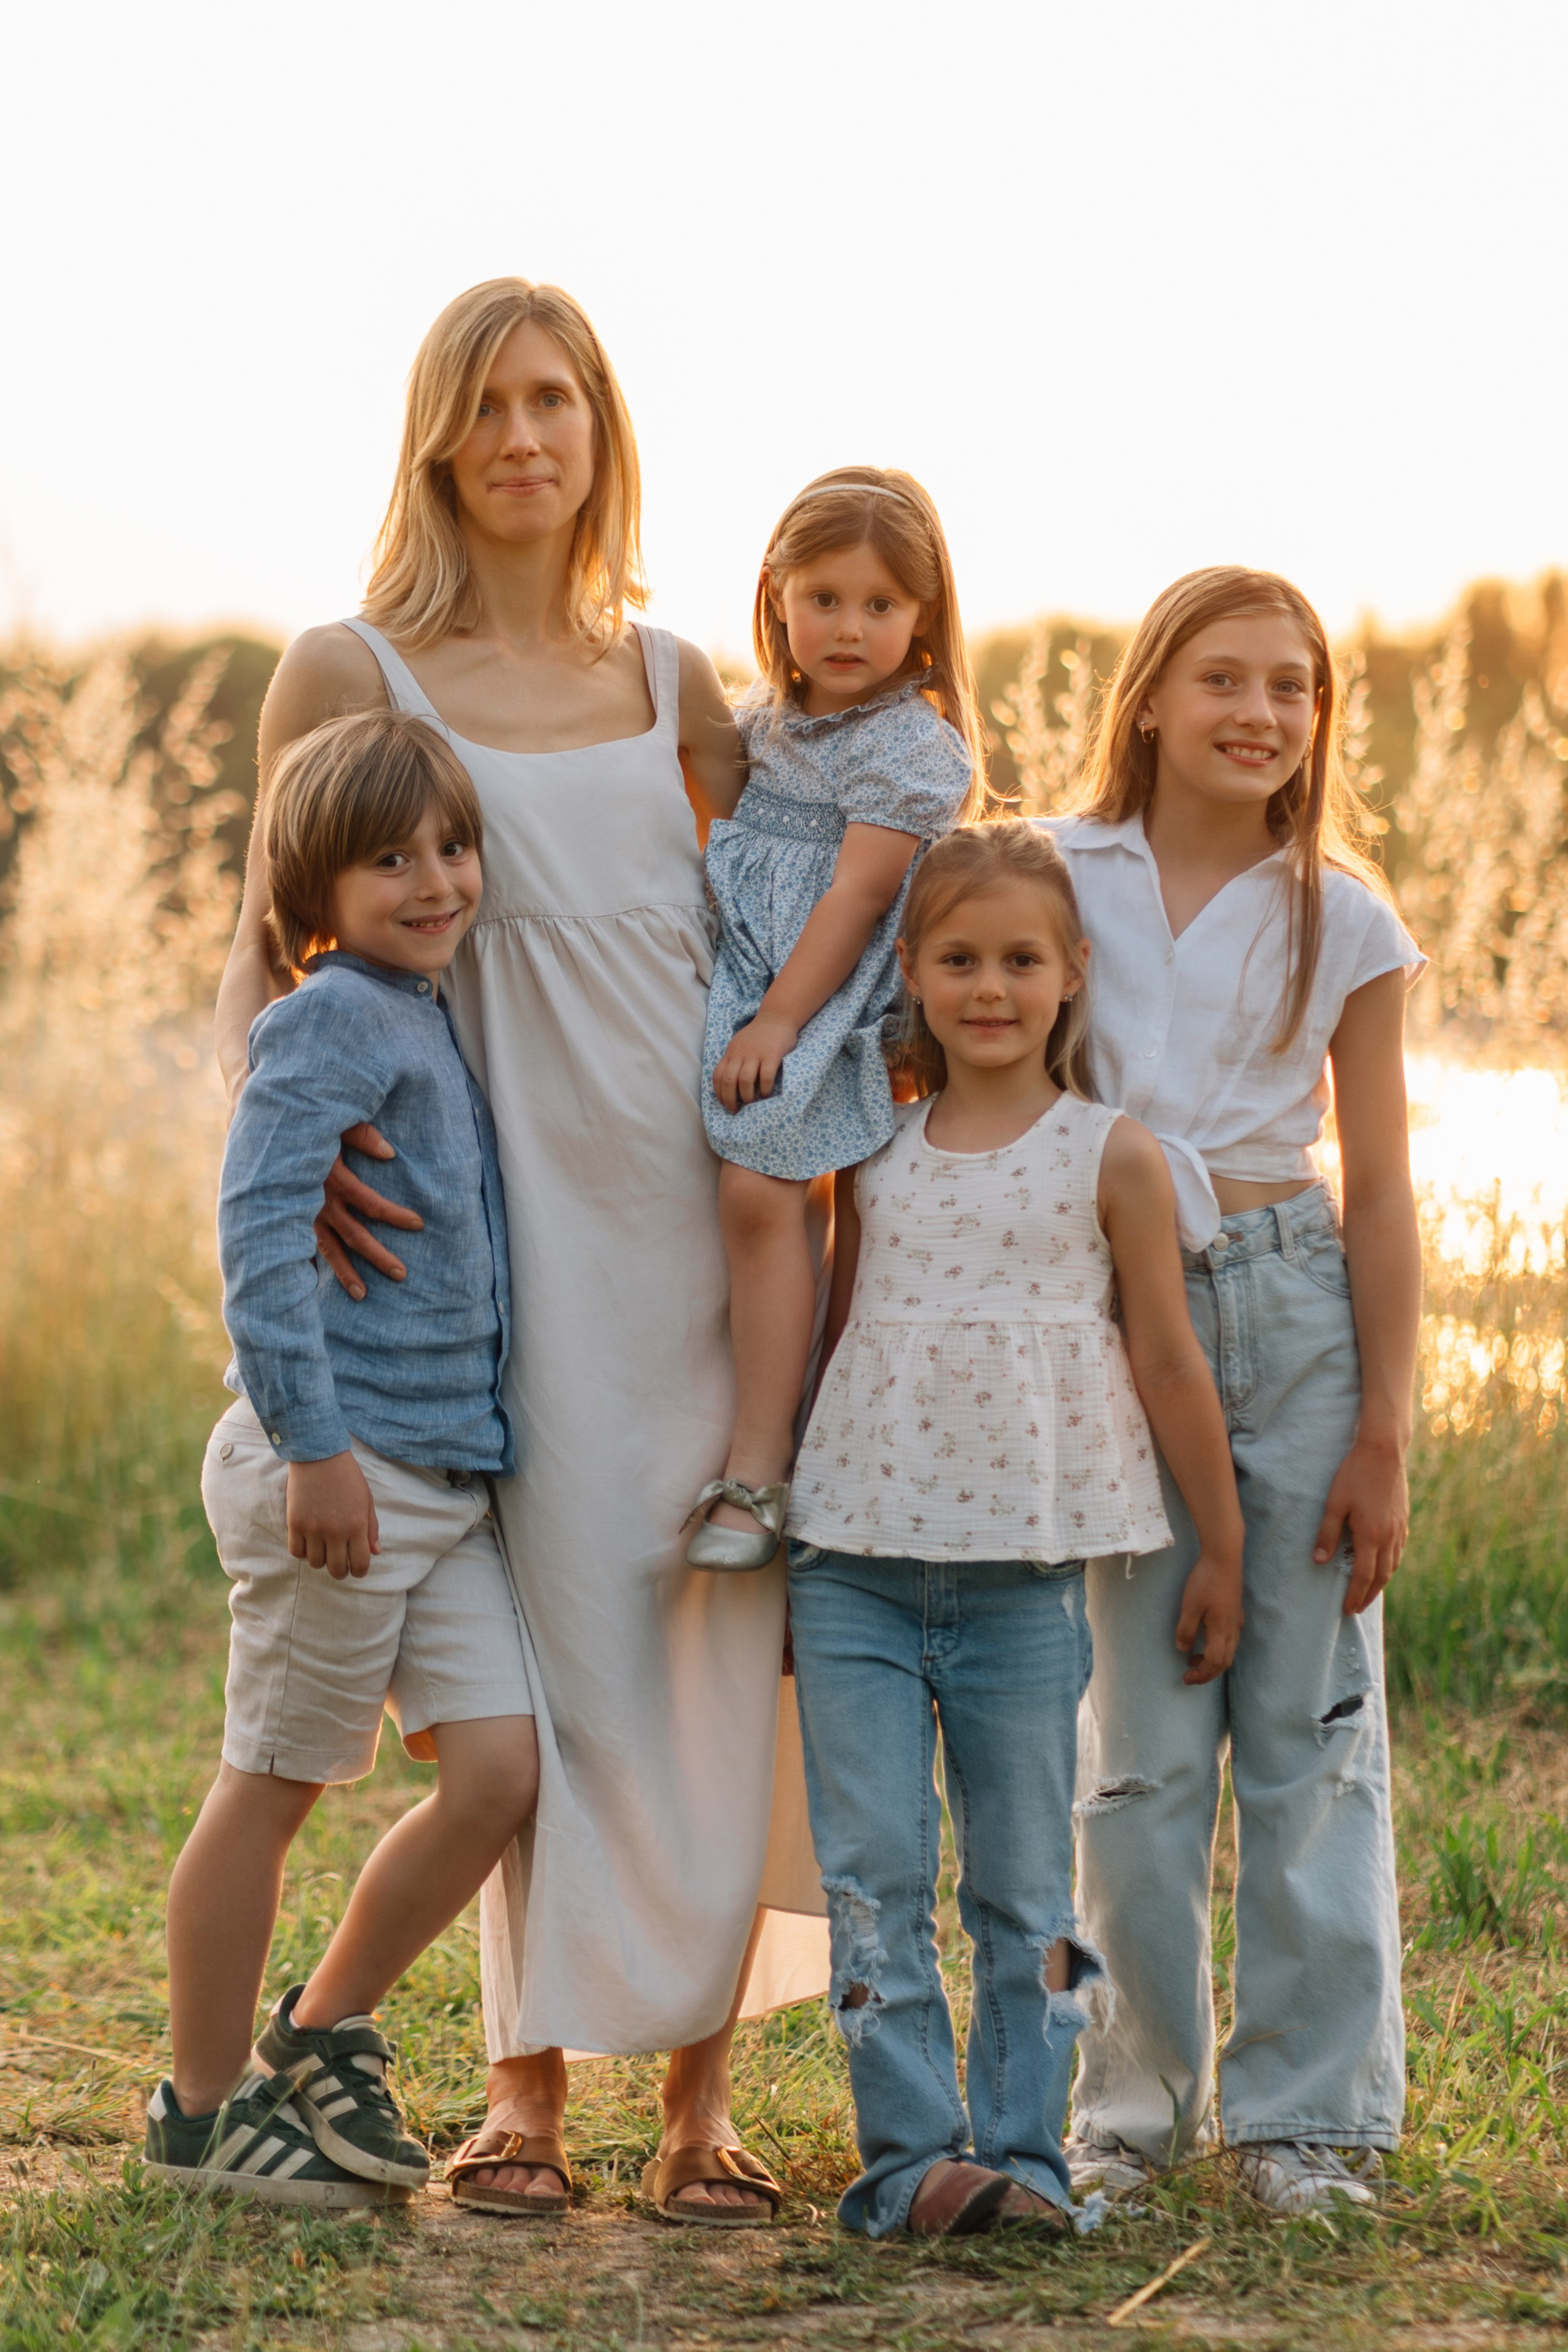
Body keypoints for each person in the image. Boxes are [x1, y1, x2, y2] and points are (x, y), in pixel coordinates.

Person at [214, 278, 826, 2226]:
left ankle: (702, 2106)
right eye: (486, 403)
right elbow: (257, 952)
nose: (524, 435)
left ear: (600, 426)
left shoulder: (678, 684)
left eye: (556, 397)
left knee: (716, 1636)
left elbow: (795, 937)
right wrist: (283, 1160)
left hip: (694, 1208)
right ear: (434, 437)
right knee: (551, 1659)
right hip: (492, 1241)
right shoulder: (344, 664)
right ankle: (522, 2097)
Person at [782, 822, 1246, 2239]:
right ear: (910, 974)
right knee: (870, 1875)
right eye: (957, 958)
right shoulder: (869, 1151)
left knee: (1025, 1887)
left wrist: (1216, 1543)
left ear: (1070, 975)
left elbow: (1167, 1361)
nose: (989, 986)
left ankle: (1025, 2159)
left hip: (1020, 1589)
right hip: (849, 1570)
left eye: (1020, 960)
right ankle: (905, 2165)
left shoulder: (1111, 1158)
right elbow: (834, 1326)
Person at [1046, 567, 1424, 2215]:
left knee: (1309, 1725)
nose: (1259, 711)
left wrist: (1383, 1431)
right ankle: (1122, 2113)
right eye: (1222, 677)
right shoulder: (1057, 874)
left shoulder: (1341, 915)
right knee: (1130, 1747)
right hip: (1109, 1312)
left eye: (1291, 685)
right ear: (1146, 695)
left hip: (1291, 1306)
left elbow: (1386, 1189)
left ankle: (1309, 2119)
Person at [150, 711, 537, 2207]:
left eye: (452, 847)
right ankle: (196, 2113)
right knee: (273, 1783)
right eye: (389, 861)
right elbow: (257, 1239)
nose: (436, 881)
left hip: (441, 1481)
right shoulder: (325, 1017)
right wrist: (315, 1451)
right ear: (315, 892)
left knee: (496, 1774)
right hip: (339, 1477)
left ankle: (319, 2029)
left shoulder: (428, 1003)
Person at [682, 470, 982, 1570]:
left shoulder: (906, 744)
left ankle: (761, 1467)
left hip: (829, 1000)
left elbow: (857, 901)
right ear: (775, 595)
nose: (850, 627)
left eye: (882, 605)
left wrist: (776, 1024)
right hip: (747, 982)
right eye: (825, 598)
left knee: (764, 1189)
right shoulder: (758, 724)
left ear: (924, 621)